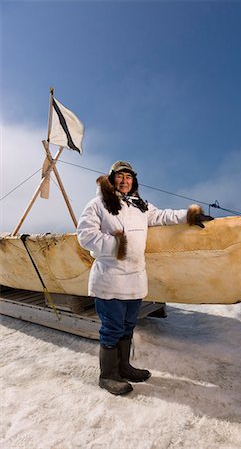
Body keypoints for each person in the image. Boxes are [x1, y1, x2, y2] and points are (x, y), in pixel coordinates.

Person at [77, 161, 213, 395]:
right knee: (112, 328)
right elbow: (85, 236)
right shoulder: (98, 204)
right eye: (120, 176)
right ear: (111, 179)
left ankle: (125, 367)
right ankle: (108, 375)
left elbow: (162, 216)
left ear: (134, 181)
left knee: (129, 326)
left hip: (135, 279)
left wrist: (189, 216)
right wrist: (118, 245)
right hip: (110, 279)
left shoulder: (140, 206)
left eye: (128, 177)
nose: (124, 180)